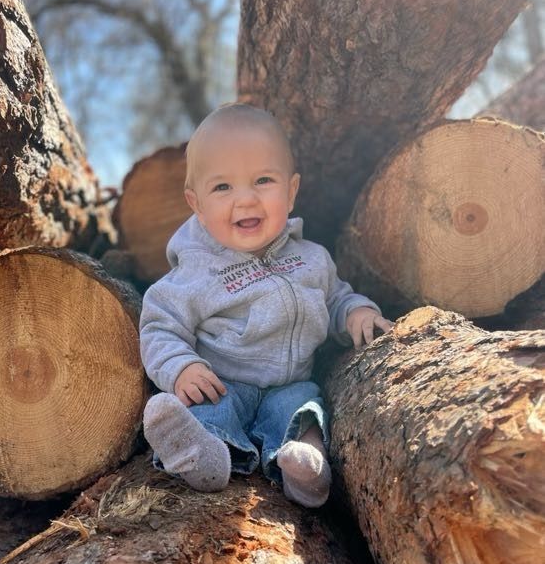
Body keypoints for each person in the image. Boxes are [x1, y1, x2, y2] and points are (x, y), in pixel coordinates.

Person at [139, 104, 392, 507]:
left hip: (289, 384)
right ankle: (202, 456)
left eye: (262, 180)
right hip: (223, 382)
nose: (245, 199)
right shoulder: (195, 272)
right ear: (196, 204)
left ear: (291, 192)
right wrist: (181, 367)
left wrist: (356, 313)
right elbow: (159, 325)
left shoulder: (311, 258)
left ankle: (307, 472)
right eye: (223, 187)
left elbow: (335, 298)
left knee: (304, 413)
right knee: (207, 410)